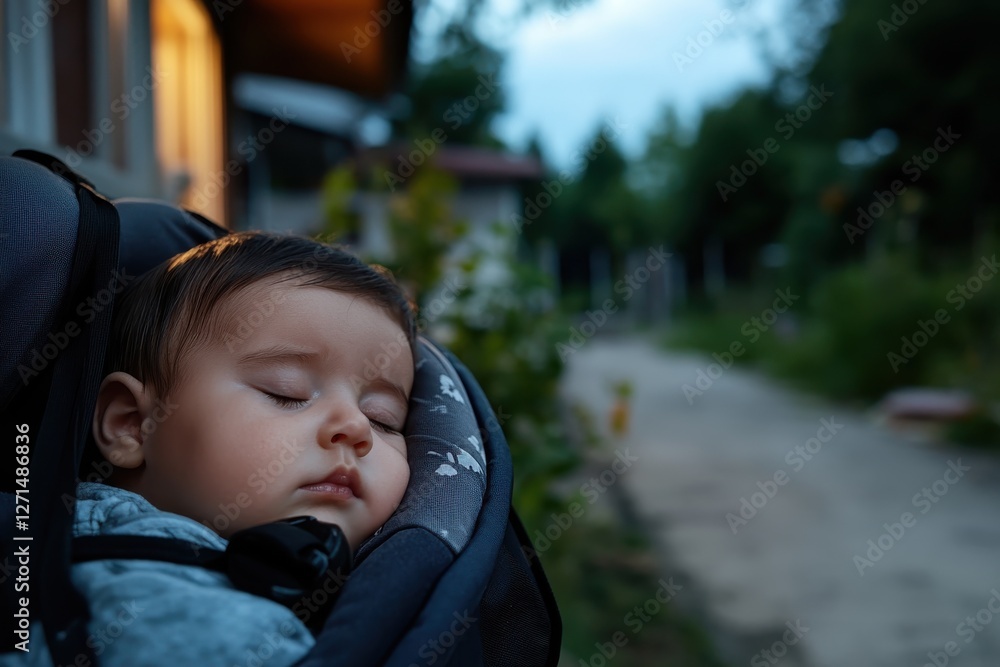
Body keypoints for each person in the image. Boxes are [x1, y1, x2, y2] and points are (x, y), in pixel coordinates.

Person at [53, 232, 415, 666]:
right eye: (286, 392)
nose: (357, 428)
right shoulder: (158, 600)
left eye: (383, 419)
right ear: (133, 424)